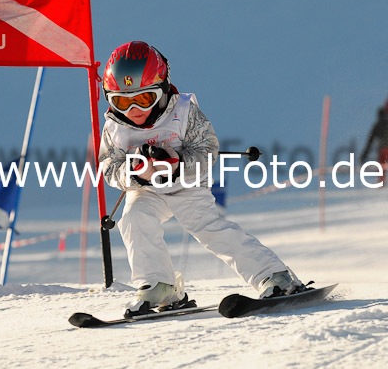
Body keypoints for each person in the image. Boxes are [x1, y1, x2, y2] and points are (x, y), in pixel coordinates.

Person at [98, 41, 307, 318]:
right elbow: (108, 166)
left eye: (144, 98)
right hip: (146, 191)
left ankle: (276, 277)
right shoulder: (114, 127)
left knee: (209, 228)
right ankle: (159, 286)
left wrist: (178, 164)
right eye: (122, 101)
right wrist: (135, 171)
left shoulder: (184, 111)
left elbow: (207, 151)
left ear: (161, 91)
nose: (134, 109)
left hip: (187, 185)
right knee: (134, 218)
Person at [360, 99, 388, 185]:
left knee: (381, 168)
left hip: (382, 150)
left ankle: (381, 184)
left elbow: (370, 141)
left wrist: (364, 155)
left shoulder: (376, 125)